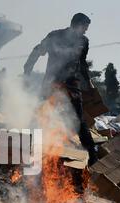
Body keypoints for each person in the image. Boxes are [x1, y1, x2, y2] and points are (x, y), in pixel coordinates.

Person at [24, 13, 98, 166]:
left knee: (78, 119)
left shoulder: (84, 42)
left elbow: (82, 63)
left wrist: (89, 81)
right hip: (52, 81)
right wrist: (27, 69)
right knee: (39, 114)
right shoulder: (54, 36)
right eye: (84, 27)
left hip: (71, 83)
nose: (85, 31)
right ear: (77, 25)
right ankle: (27, 148)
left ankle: (92, 156)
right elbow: (38, 50)